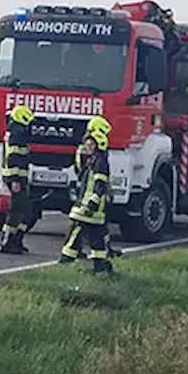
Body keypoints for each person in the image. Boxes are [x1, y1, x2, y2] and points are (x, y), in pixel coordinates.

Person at [60, 127, 113, 275]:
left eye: (91, 145)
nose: (87, 147)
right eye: (87, 144)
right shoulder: (95, 160)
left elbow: (99, 186)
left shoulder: (100, 163)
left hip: (88, 208)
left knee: (75, 232)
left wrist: (92, 203)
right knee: (96, 238)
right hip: (93, 209)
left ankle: (65, 261)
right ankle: (100, 267)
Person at [75, 115, 121, 259]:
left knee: (100, 223)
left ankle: (106, 249)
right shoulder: (89, 147)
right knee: (84, 224)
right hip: (90, 192)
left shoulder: (91, 145)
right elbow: (88, 170)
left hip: (93, 190)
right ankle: (77, 251)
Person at [0, 104, 34, 255]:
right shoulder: (16, 134)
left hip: (19, 177)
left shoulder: (17, 132)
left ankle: (16, 240)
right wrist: (15, 180)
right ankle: (7, 241)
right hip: (16, 178)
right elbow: (13, 158)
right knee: (17, 211)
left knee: (26, 210)